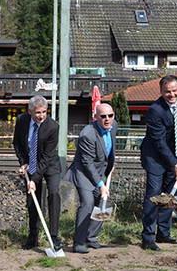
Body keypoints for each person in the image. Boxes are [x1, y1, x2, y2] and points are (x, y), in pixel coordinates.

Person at [140, 75, 177, 251]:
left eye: (174, 91)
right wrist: (174, 163)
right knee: (154, 196)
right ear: (161, 92)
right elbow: (158, 142)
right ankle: (148, 238)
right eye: (167, 92)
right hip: (155, 158)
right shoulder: (155, 110)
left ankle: (163, 233)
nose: (171, 95)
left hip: (175, 156)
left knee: (168, 195)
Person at [13, 95, 64, 250]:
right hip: (31, 164)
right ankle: (33, 237)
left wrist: (34, 179)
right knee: (32, 200)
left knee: (54, 193)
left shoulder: (52, 127)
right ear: (30, 111)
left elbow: (47, 157)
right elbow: (17, 144)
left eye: (44, 112)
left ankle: (54, 237)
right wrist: (23, 163)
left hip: (50, 166)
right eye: (38, 113)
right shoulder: (21, 121)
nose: (41, 116)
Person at [65, 103, 117, 254]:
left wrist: (110, 164)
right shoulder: (87, 134)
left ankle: (91, 238)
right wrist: (101, 185)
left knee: (102, 201)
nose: (107, 119)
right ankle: (79, 242)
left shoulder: (114, 126)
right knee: (88, 202)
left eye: (110, 115)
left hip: (100, 171)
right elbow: (87, 163)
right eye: (103, 116)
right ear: (96, 117)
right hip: (83, 172)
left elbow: (109, 149)